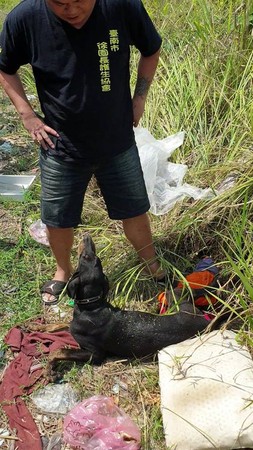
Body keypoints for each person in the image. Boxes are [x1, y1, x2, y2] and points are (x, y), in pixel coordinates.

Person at [0, 0, 165, 305]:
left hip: (117, 138)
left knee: (134, 210)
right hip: (60, 144)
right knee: (58, 218)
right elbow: (5, 67)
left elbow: (151, 49)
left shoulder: (121, 7)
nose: (71, 10)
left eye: (79, 1)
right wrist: (27, 115)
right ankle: (63, 270)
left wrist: (139, 98)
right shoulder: (25, 17)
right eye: (60, 3)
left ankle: (152, 263)